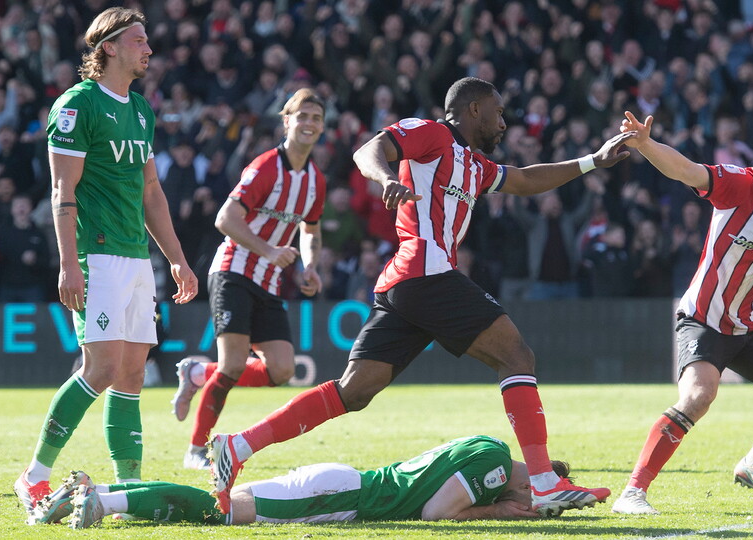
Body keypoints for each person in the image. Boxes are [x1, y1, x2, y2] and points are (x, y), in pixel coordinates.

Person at [207, 77, 635, 517]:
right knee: (517, 357)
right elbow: (366, 151)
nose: (504, 122)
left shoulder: (475, 164)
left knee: (353, 391)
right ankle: (544, 483)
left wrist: (592, 161)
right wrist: (388, 178)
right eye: (498, 111)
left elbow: (525, 180)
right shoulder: (432, 133)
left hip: (408, 283)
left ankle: (237, 445)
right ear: (473, 109)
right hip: (425, 271)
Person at [14, 7, 198, 521]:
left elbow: (152, 191)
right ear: (110, 47)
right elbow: (61, 188)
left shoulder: (141, 111)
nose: (149, 49)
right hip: (95, 255)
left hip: (137, 258)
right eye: (139, 40)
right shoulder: (77, 105)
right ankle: (34, 476)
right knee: (100, 368)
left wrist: (177, 261)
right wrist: (68, 264)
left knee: (133, 373)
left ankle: (128, 488)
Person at [610, 111, 753, 515]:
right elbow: (686, 170)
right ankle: (633, 492)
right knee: (699, 397)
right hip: (704, 318)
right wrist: (645, 144)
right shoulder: (740, 186)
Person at [170, 88, 327, 470]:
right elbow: (225, 218)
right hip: (234, 271)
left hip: (269, 281)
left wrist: (309, 266)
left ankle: (196, 373)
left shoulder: (315, 180)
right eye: (302, 116)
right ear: (286, 121)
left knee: (282, 370)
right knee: (233, 365)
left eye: (316, 118)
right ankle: (196, 450)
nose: (309, 123)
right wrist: (270, 251)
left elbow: (310, 229)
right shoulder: (265, 167)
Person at [33, 435, 568, 529]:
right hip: (341, 497)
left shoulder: (489, 447)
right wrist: (502, 513)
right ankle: (103, 500)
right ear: (530, 486)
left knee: (221, 505)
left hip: (340, 484)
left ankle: (94, 492)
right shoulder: (498, 470)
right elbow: (435, 516)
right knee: (218, 512)